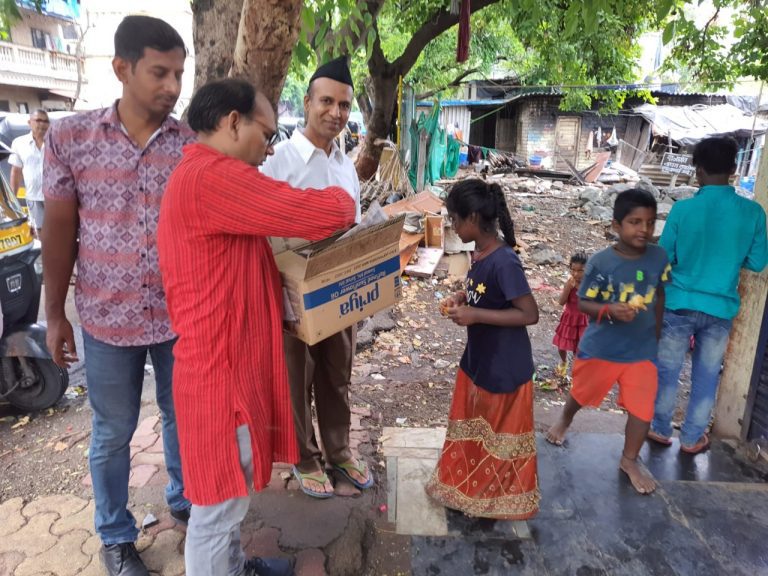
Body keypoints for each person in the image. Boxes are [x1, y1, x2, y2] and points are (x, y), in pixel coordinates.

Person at [158, 78, 356, 576]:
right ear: (232, 122)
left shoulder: (201, 172)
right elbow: (310, 211)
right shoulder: (213, 176)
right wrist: (346, 204)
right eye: (265, 135)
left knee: (230, 498)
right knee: (215, 508)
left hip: (224, 362)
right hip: (218, 374)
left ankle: (234, 566)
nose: (269, 149)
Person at [43, 16, 192, 576]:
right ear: (122, 69)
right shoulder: (71, 138)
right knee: (112, 431)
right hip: (106, 319)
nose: (173, 87)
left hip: (180, 317)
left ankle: (184, 502)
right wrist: (55, 315)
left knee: (183, 418)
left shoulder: (189, 145)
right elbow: (57, 234)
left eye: (178, 73)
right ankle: (115, 536)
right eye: (160, 72)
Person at [261, 56, 370, 499]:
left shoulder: (346, 166)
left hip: (339, 293)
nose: (336, 113)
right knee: (296, 377)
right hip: (292, 296)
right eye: (326, 101)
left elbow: (357, 231)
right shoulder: (278, 161)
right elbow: (266, 230)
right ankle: (305, 457)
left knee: (336, 375)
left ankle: (339, 450)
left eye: (344, 105)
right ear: (307, 103)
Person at [425, 179, 540, 520]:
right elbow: (485, 292)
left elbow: (529, 313)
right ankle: (472, 487)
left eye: (455, 220)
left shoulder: (505, 262)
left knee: (498, 438)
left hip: (505, 366)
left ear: (474, 218)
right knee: (478, 429)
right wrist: (463, 298)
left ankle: (491, 498)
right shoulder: (480, 253)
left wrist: (475, 314)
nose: (452, 227)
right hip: (480, 360)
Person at [546, 189, 671, 494]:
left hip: (641, 352)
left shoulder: (659, 257)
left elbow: (660, 295)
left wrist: (656, 335)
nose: (643, 229)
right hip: (601, 348)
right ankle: (566, 416)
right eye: (635, 222)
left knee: (643, 410)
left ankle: (629, 460)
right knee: (582, 393)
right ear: (616, 225)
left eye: (650, 222)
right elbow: (584, 302)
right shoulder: (601, 262)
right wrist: (609, 310)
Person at [649, 137, 768, 454]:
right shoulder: (753, 213)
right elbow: (757, 262)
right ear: (733, 169)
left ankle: (660, 429)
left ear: (697, 170)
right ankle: (691, 438)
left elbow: (665, 257)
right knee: (705, 377)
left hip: (679, 305)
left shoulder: (683, 210)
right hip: (720, 310)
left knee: (668, 372)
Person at [9, 109, 50, 235]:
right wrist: (12, 201)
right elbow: (16, 172)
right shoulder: (19, 143)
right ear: (29, 122)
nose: (42, 124)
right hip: (33, 197)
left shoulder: (55, 142)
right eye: (38, 120)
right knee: (39, 233)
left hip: (55, 198)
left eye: (45, 121)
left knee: (57, 233)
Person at [552, 252, 589, 378]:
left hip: (583, 320)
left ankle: (577, 369)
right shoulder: (570, 283)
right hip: (569, 318)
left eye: (580, 271)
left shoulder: (589, 285)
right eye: (573, 270)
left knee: (578, 348)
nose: (575, 274)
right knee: (562, 344)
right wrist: (568, 287)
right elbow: (561, 301)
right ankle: (563, 362)